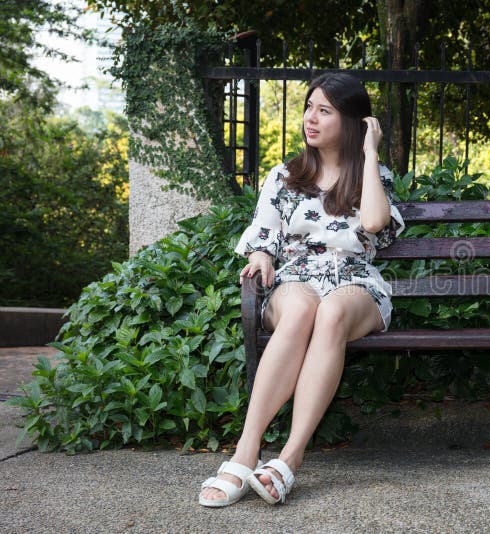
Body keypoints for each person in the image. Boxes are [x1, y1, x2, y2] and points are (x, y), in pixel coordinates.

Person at [199, 72, 404, 507]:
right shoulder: (286, 175)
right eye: (309, 107)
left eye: (324, 110)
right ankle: (246, 452)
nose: (311, 118)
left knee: (330, 311)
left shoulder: (374, 175)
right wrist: (260, 255)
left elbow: (371, 224)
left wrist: (369, 152)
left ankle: (290, 458)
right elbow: (264, 235)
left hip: (355, 281)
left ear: (352, 121)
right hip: (296, 278)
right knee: (300, 311)